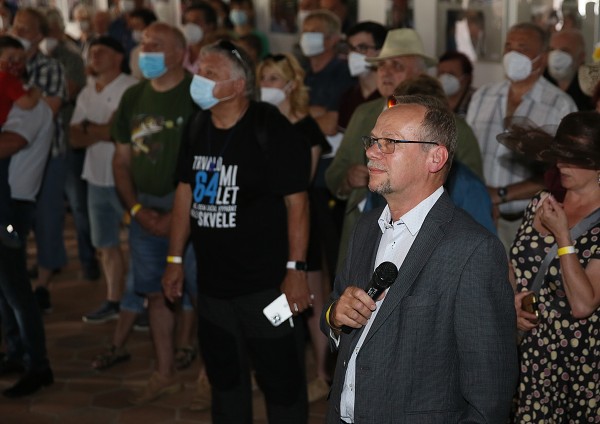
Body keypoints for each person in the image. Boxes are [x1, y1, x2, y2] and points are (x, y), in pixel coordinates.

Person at [321, 95, 518, 423]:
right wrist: (335, 316)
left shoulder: (473, 250)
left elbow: (489, 394)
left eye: (390, 142)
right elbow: (332, 311)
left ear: (435, 157)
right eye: (372, 141)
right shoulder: (366, 227)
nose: (371, 152)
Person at [162, 39, 311, 423]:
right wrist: (175, 258)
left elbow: (297, 202)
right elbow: (184, 193)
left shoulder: (268, 126)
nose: (198, 78)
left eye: (210, 73)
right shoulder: (197, 126)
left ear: (238, 85)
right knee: (225, 381)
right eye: (199, 71)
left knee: (282, 380)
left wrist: (296, 270)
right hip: (213, 288)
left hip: (268, 288)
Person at [111, 22, 197, 405]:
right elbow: (121, 160)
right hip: (144, 209)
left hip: (191, 210)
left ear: (180, 54)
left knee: (203, 293)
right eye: (144, 44)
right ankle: (164, 372)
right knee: (155, 293)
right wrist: (136, 209)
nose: (145, 51)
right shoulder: (133, 96)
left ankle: (211, 378)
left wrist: (177, 215)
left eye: (156, 45)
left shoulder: (195, 95)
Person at [507, 111, 600, 422]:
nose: (561, 164)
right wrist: (512, 302)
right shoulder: (542, 202)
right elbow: (516, 265)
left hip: (578, 366)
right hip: (529, 358)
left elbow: (583, 304)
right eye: (560, 154)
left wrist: (563, 236)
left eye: (573, 159)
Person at [257, 52, 332, 402]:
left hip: (302, 217)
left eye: (273, 78)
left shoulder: (305, 128)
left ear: (291, 84)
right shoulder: (260, 122)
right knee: (269, 298)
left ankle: (322, 374)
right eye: (262, 79)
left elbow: (302, 181)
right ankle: (271, 368)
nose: (266, 85)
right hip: (266, 222)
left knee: (310, 299)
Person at [466, 22, 577, 251]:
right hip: (479, 214)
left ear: (542, 58)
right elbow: (468, 155)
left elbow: (561, 171)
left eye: (522, 48)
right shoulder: (483, 96)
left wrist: (501, 195)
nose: (512, 54)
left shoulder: (560, 105)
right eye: (508, 47)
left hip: (532, 221)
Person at [70, 36, 138, 323]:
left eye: (101, 52)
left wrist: (91, 127)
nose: (93, 57)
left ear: (118, 57)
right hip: (95, 177)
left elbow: (118, 133)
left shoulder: (130, 88)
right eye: (92, 52)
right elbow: (74, 137)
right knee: (105, 244)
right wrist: (103, 129)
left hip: (126, 179)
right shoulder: (87, 91)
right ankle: (114, 299)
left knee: (138, 244)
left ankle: (139, 302)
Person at [9, 7, 66, 310]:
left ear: (40, 36)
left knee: (46, 219)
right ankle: (15, 277)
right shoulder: (6, 64)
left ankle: (43, 282)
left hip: (47, 155)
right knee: (12, 222)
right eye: (16, 26)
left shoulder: (50, 67)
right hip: (11, 156)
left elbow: (46, 112)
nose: (18, 32)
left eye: (26, 29)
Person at [0, 102, 54, 397]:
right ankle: (17, 353)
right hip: (6, 204)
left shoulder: (32, 106)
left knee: (17, 291)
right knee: (4, 290)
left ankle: (38, 366)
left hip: (14, 207)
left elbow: (12, 142)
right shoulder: (9, 105)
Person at [337, 21, 387, 131]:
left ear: (380, 52)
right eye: (351, 48)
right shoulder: (348, 97)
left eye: (362, 48)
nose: (354, 54)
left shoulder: (388, 96)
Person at [544, 28, 592, 111]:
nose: (556, 56)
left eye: (564, 50)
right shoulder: (539, 81)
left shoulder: (590, 88)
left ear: (581, 57)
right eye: (552, 50)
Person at [0, 35, 41, 125]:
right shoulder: (8, 79)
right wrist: (35, 91)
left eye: (22, 59)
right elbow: (28, 103)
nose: (16, 63)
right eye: (11, 58)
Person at [437, 50, 475, 118]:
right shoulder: (433, 100)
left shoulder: (476, 101)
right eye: (442, 73)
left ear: (465, 79)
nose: (445, 78)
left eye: (451, 74)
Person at [127, 8, 157, 79]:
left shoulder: (160, 50)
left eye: (138, 26)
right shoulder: (135, 52)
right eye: (133, 27)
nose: (135, 30)